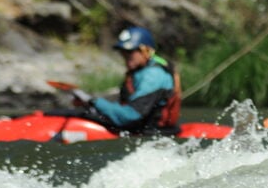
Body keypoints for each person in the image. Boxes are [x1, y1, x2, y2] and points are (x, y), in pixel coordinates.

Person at [52, 26, 181, 134]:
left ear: (145, 51)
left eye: (130, 52)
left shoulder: (153, 76)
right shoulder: (139, 71)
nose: (125, 56)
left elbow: (131, 115)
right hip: (137, 127)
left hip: (153, 133)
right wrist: (89, 103)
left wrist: (93, 101)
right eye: (123, 52)